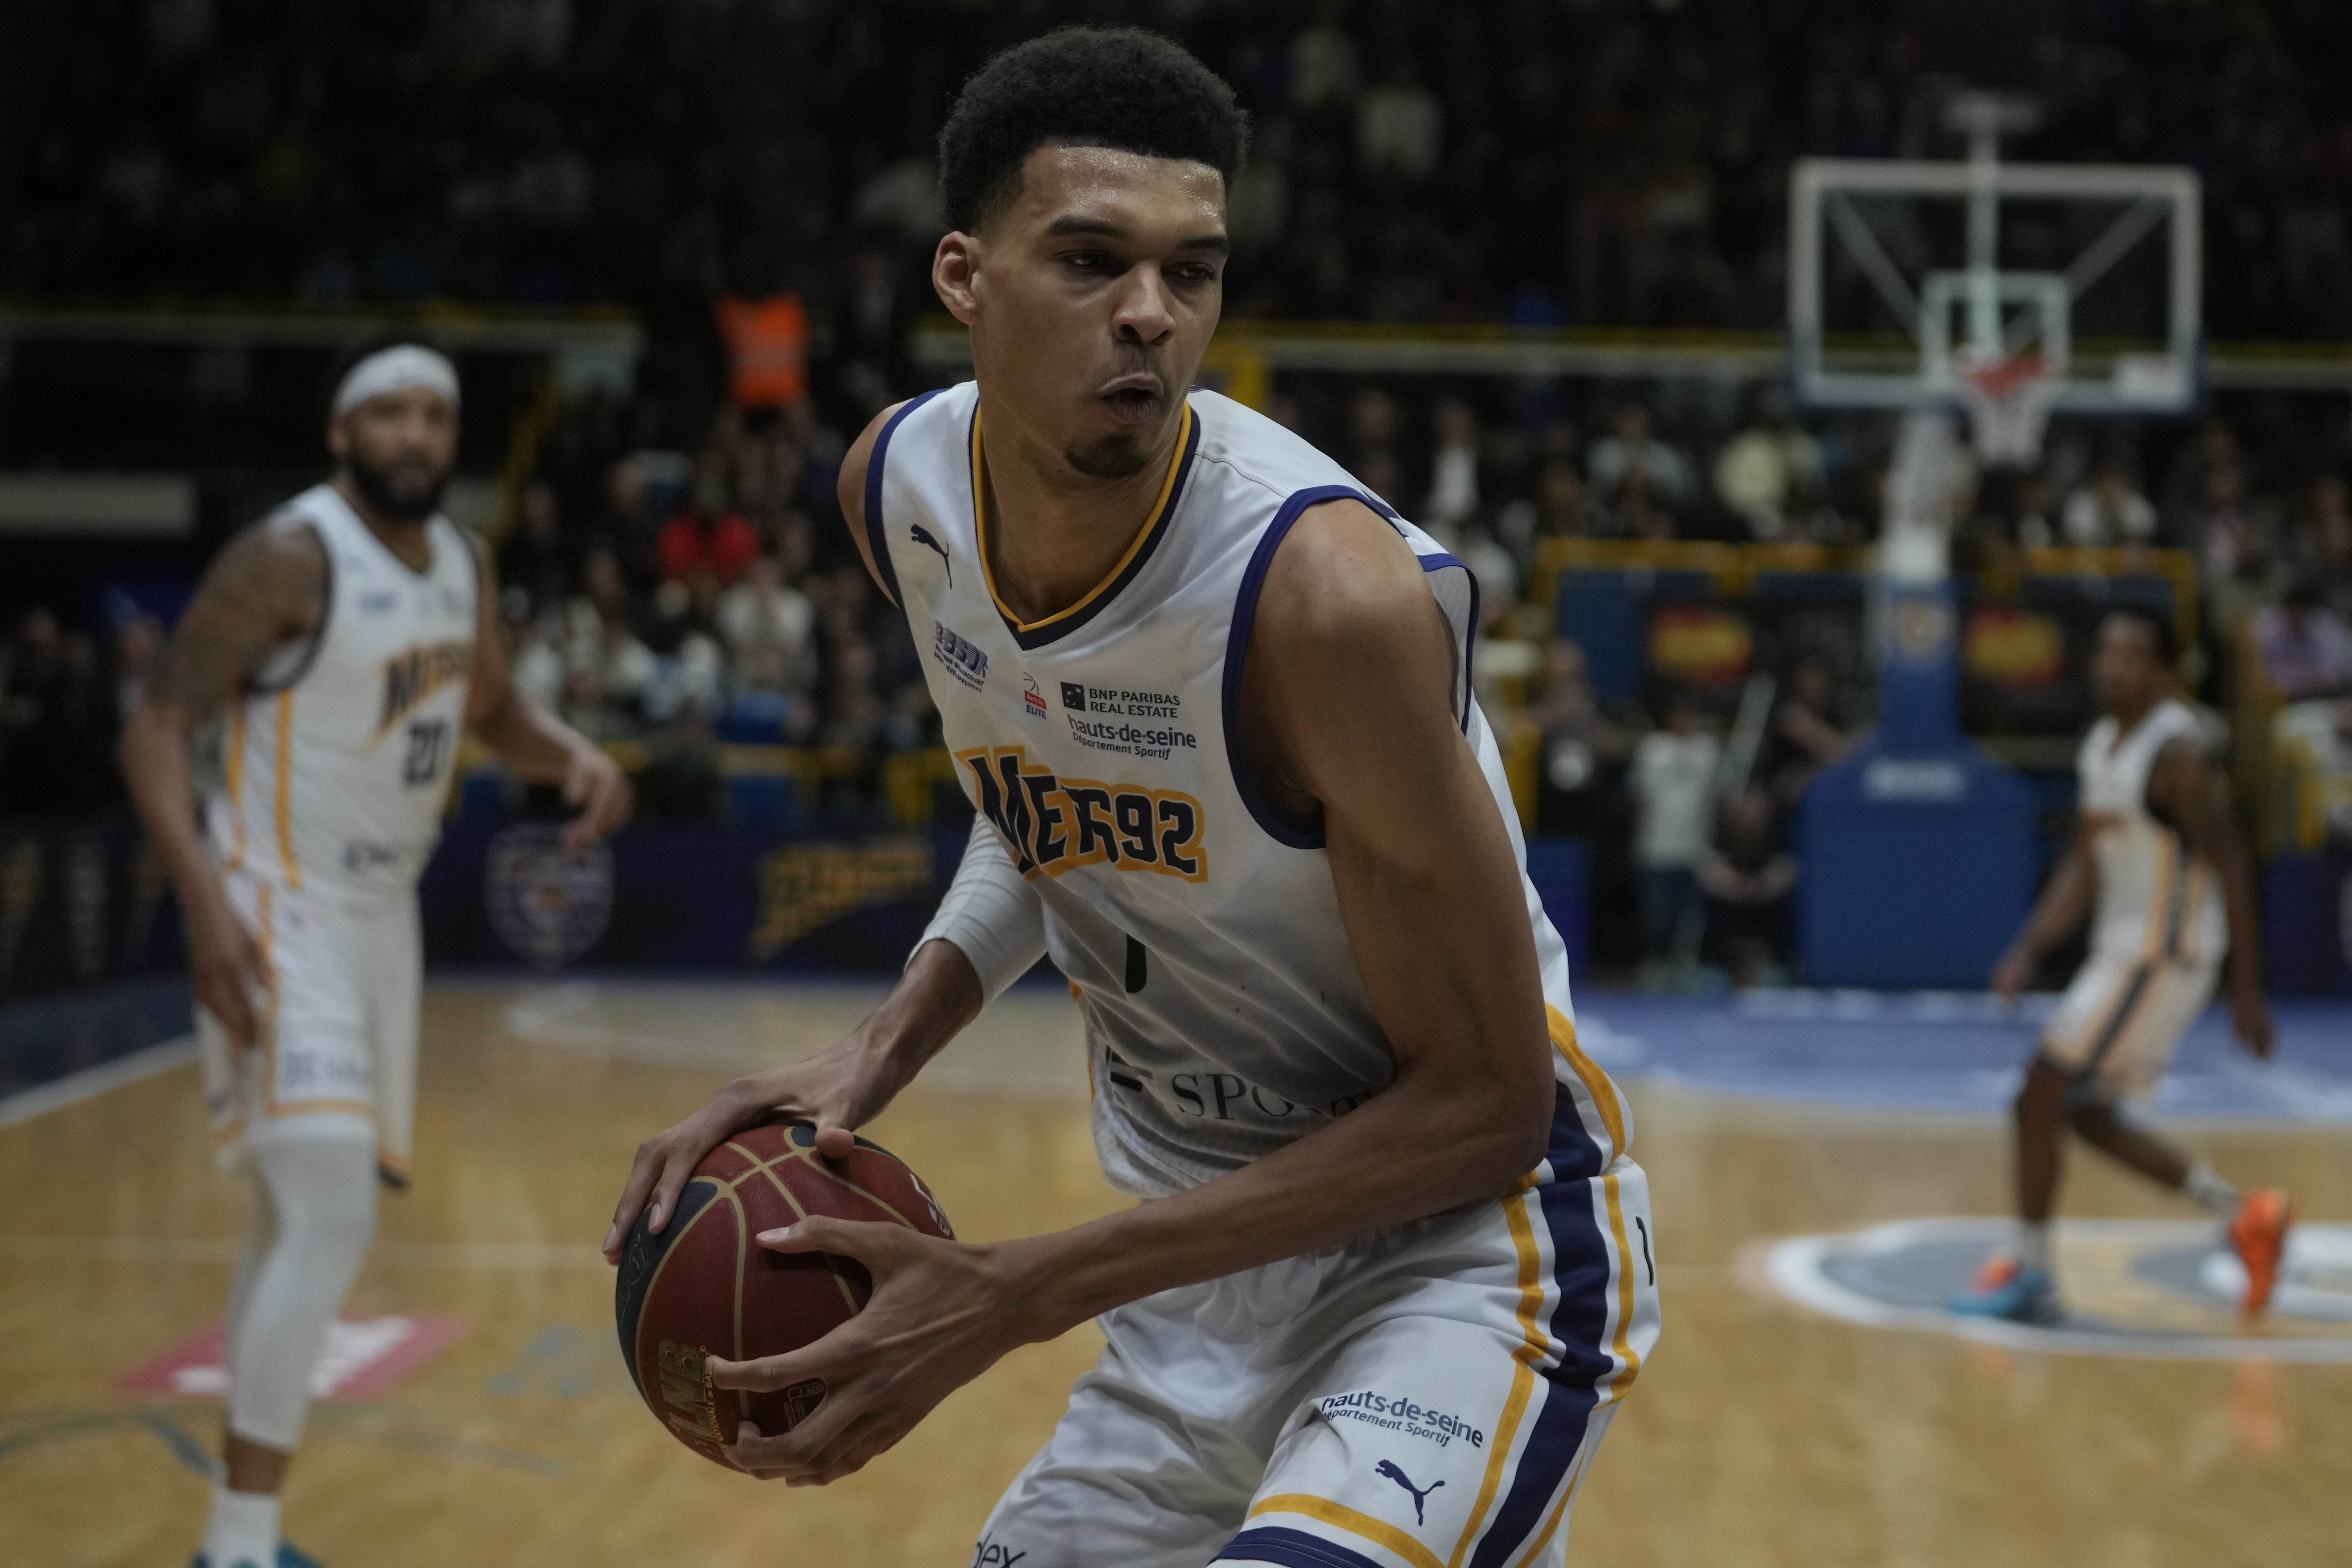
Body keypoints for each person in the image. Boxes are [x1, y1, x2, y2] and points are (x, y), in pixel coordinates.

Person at [606, 29, 1656, 1568]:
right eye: (1092, 260)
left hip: (1458, 1258)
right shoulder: (896, 492)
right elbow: (1045, 800)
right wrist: (876, 1049)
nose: (1153, 316)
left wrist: (1019, 1288)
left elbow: (1489, 1101)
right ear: (964, 276)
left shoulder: (1325, 603)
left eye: (1193, 271)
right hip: (1196, 1279)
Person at [117, 334, 632, 1568]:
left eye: (434, 417)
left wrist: (573, 757)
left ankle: (239, 1532)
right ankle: (239, 1548)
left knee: (286, 1223)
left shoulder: (465, 560)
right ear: (342, 434)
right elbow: (157, 722)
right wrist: (202, 905)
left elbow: (492, 710)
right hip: (270, 903)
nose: (416, 436)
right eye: (388, 416)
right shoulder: (289, 556)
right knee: (333, 1213)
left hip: (379, 924)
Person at [1952, 608, 2288, 1325]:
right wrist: (2029, 947)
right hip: (2126, 949)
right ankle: (2247, 1216)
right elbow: (2085, 865)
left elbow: (2233, 864)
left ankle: (2031, 1270)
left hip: (2164, 952)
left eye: (2131, 655)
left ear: (2163, 670)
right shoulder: (2104, 744)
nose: (2111, 666)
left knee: (2036, 1094)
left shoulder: (2178, 755)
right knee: (2086, 1113)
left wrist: (2248, 992)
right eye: (2105, 651)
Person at [1629, 689, 1720, 979]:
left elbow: (1713, 799)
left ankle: (1685, 965)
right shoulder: (1653, 749)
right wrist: (1640, 840)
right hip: (1659, 845)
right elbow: (1643, 798)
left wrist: (1711, 840)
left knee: (1691, 915)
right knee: (1659, 913)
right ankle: (1656, 963)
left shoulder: (1708, 750)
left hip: (1694, 847)